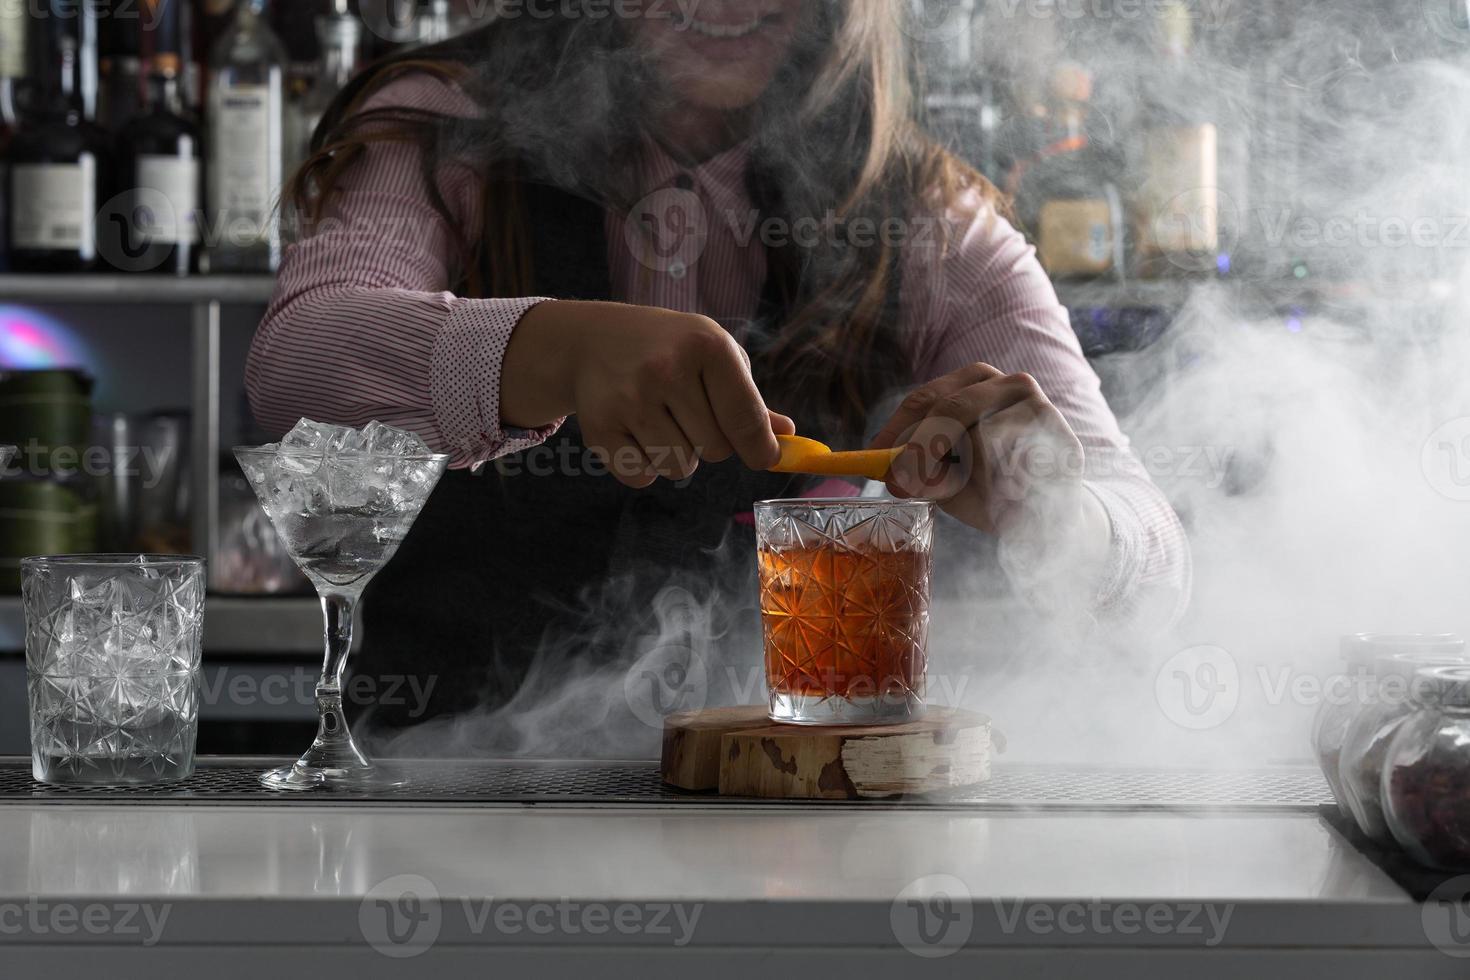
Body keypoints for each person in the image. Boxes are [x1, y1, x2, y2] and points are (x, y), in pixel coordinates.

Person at [246, 1, 1190, 738]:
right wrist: (556, 350)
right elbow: (295, 363)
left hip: (788, 832)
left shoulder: (917, 209)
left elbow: (1152, 567)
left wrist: (1054, 512)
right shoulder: (445, 125)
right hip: (442, 808)